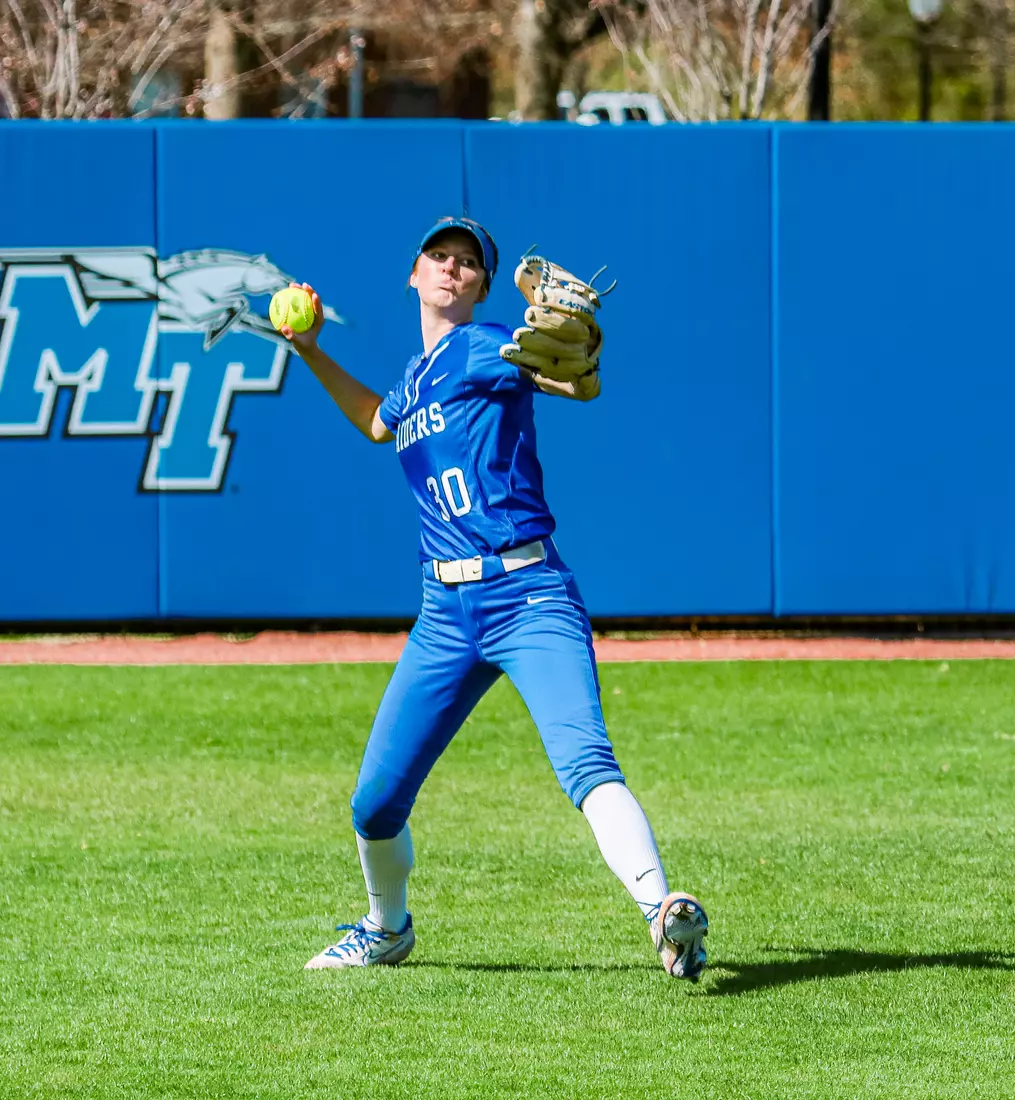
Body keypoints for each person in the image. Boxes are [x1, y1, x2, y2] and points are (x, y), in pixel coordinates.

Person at [284, 215, 709, 981]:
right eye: (438, 257)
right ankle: (385, 927)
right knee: (374, 802)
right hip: (443, 616)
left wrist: (578, 356)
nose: (452, 268)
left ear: (481, 284)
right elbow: (379, 424)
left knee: (584, 760)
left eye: (467, 262)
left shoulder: (485, 347)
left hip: (528, 595)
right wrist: (311, 350)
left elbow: (567, 379)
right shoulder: (415, 379)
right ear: (413, 274)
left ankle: (662, 916)